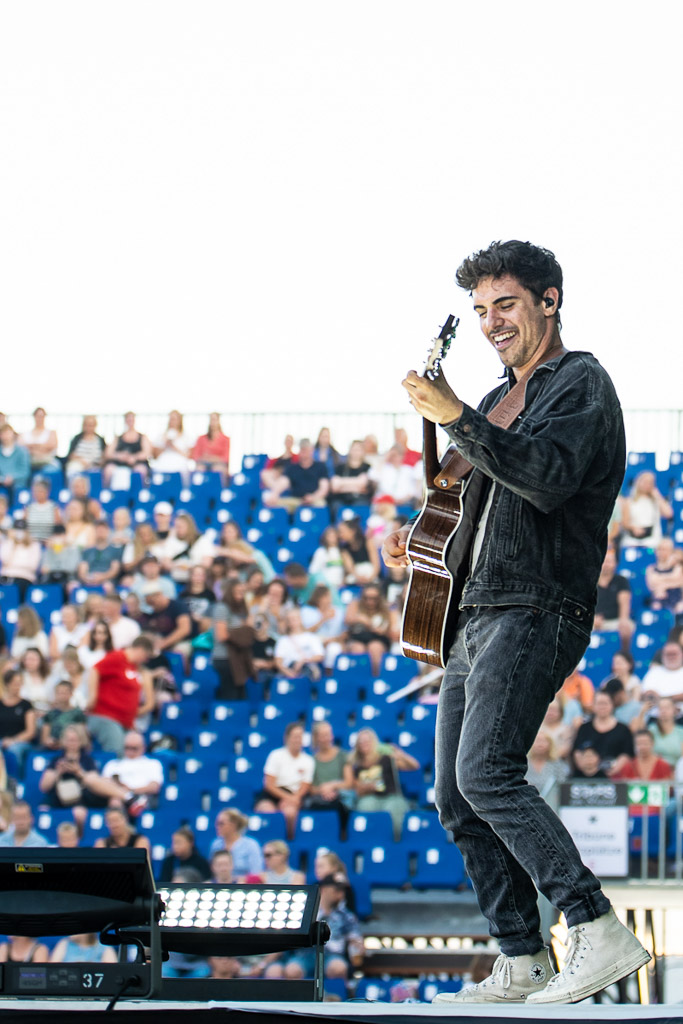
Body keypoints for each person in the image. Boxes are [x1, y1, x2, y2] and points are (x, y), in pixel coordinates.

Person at [382, 240, 649, 1003]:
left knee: (485, 774)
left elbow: (543, 479)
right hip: (476, 613)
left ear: (549, 301)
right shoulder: (503, 396)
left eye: (505, 304)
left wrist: (456, 417)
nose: (491, 321)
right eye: (479, 311)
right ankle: (521, 956)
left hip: (535, 602)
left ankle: (596, 927)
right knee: (452, 795)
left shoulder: (578, 383)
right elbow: (477, 496)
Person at [86, 635, 155, 755]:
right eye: (146, 656)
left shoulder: (133, 667)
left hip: (124, 723)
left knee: (131, 755)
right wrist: (93, 697)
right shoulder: (117, 657)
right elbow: (95, 670)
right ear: (140, 649)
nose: (145, 660)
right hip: (106, 716)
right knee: (119, 754)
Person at [343, 727, 415, 840]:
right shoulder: (356, 765)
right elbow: (357, 790)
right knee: (365, 806)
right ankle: (370, 840)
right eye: (361, 741)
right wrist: (367, 788)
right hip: (369, 798)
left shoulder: (387, 759)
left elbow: (413, 766)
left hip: (391, 797)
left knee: (395, 808)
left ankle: (395, 840)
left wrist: (401, 754)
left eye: (367, 741)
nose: (364, 744)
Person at [261, 722, 315, 839]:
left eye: (300, 736)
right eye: (295, 736)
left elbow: (305, 785)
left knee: (290, 813)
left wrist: (293, 798)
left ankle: (288, 842)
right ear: (287, 738)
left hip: (294, 795)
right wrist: (285, 797)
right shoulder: (276, 755)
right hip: (273, 794)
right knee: (267, 810)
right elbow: (269, 784)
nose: (298, 740)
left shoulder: (308, 760)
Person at [572, 690, 634, 777]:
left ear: (612, 705)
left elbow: (627, 754)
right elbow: (577, 751)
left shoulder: (623, 729)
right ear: (593, 705)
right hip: (586, 777)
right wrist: (588, 768)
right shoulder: (584, 728)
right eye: (599, 703)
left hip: (615, 778)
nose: (602, 707)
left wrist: (614, 770)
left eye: (605, 703)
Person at [593, 546, 635, 652]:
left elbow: (624, 602)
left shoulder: (621, 581)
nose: (607, 565)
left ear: (615, 564)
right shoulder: (590, 582)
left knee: (627, 628)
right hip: (594, 621)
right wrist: (592, 619)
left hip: (615, 620)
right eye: (604, 561)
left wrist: (623, 620)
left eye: (610, 562)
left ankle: (624, 656)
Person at [621, 470, 673, 547]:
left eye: (650, 482)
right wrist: (633, 528)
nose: (647, 485)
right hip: (633, 541)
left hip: (653, 542)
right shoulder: (629, 501)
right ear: (638, 482)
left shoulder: (656, 501)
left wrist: (656, 495)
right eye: (645, 482)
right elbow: (624, 522)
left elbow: (668, 514)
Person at [207, 808, 264, 878]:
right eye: (216, 824)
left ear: (233, 825)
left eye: (221, 823)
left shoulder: (251, 845)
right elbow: (212, 870)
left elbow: (256, 873)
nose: (217, 827)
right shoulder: (216, 844)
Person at [103, 411, 152, 487]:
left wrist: (134, 457)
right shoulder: (118, 438)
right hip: (119, 464)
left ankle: (138, 493)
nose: (130, 422)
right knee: (109, 469)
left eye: (132, 419)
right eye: (128, 419)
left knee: (141, 470)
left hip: (137, 463)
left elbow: (147, 453)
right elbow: (108, 453)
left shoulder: (142, 437)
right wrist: (119, 456)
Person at [645, 538, 683, 614]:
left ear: (671, 552)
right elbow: (652, 584)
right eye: (660, 549)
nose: (661, 552)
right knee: (656, 605)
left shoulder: (678, 568)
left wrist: (663, 585)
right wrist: (672, 581)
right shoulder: (651, 569)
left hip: (676, 600)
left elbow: (680, 581)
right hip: (659, 599)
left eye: (665, 549)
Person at [191, 412, 231, 477]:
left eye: (214, 420)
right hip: (203, 463)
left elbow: (226, 458)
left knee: (217, 469)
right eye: (211, 420)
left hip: (219, 464)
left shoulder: (225, 439)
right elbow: (196, 456)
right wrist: (204, 458)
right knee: (199, 469)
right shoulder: (201, 438)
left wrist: (213, 458)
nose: (213, 422)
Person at [20, 407, 59, 473]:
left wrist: (32, 447)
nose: (40, 418)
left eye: (42, 416)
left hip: (47, 462)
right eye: (38, 416)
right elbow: (21, 447)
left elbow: (52, 446)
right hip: (29, 462)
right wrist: (41, 447)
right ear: (34, 417)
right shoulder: (25, 434)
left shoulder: (51, 432)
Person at [0, 423, 31, 496]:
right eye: (3, 434)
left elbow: (25, 472)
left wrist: (12, 478)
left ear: (13, 434)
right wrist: (3, 479)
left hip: (18, 485)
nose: (6, 437)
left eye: (8, 433)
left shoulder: (22, 451)